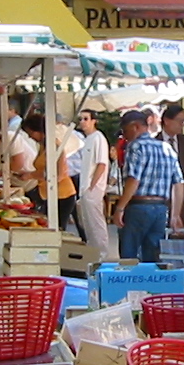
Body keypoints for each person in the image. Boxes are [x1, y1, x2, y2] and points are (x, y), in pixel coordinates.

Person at [112, 109, 183, 262]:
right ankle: (150, 285)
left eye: (125, 131)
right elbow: (178, 183)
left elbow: (133, 179)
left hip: (139, 205)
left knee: (129, 255)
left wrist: (120, 208)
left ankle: (130, 285)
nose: (124, 136)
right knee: (152, 256)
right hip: (160, 209)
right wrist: (175, 214)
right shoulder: (167, 148)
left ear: (136, 127)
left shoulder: (136, 146)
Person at [21, 113, 75, 219]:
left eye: (31, 133)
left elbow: (57, 174)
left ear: (39, 131)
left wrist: (31, 175)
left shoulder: (54, 146)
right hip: (47, 193)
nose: (30, 136)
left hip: (62, 194)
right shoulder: (43, 146)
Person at [75, 110, 111, 257]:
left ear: (93, 121)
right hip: (85, 188)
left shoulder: (98, 138)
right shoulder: (87, 139)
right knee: (88, 224)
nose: (83, 122)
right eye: (81, 119)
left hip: (92, 188)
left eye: (86, 119)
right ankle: (94, 253)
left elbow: (101, 164)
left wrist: (92, 185)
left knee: (96, 223)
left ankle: (102, 254)